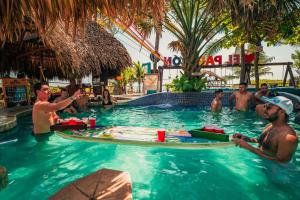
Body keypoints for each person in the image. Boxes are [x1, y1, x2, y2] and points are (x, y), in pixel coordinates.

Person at [232, 96, 298, 163]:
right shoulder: (270, 126)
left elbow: (281, 162)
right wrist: (245, 138)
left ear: (281, 112)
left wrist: (250, 148)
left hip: (275, 172)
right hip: (263, 165)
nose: (264, 109)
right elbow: (260, 141)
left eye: (269, 107)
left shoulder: (287, 137)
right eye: (265, 106)